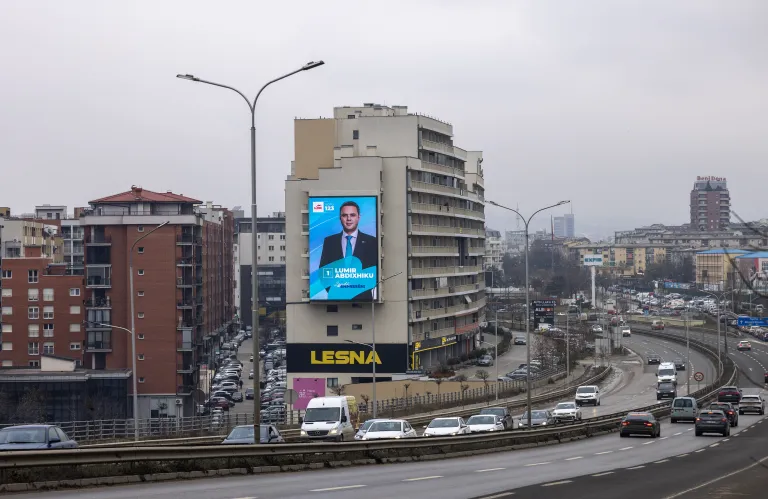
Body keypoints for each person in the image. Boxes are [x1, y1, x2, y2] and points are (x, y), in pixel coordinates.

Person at [318, 200, 378, 300]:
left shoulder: (372, 242)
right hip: (336, 298)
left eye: (352, 215)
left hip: (363, 299)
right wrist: (335, 290)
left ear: (358, 217)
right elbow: (323, 271)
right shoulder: (329, 241)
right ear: (340, 218)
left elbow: (375, 271)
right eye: (345, 215)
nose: (349, 219)